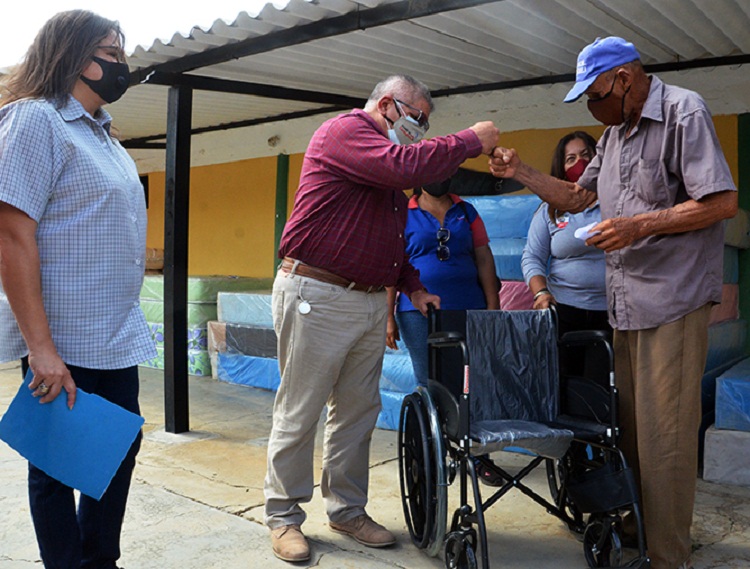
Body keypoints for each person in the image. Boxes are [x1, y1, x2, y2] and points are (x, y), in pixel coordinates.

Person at [489, 37, 738, 569]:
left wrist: (638, 226)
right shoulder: (615, 133)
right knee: (630, 427)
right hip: (626, 305)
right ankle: (635, 529)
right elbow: (579, 197)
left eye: (596, 94)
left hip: (673, 298)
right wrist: (522, 173)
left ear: (625, 79)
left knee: (665, 433)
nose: (591, 107)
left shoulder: (682, 111)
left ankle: (668, 556)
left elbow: (721, 202)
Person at [265, 74, 499, 562]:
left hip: (368, 299)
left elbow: (390, 243)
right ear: (389, 105)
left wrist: (413, 287)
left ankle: (346, 510)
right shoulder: (346, 133)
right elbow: (405, 164)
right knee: (301, 408)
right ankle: (284, 515)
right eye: (419, 120)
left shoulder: (386, 178)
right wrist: (471, 140)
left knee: (357, 412)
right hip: (318, 290)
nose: (421, 131)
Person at [0, 10, 155, 569]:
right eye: (109, 54)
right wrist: (40, 349)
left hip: (113, 335)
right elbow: (13, 237)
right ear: (69, 55)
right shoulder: (34, 120)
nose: (121, 66)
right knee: (56, 464)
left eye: (121, 55)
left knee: (115, 452)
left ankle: (99, 561)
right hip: (62, 339)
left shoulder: (104, 136)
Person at [386, 177, 499, 386]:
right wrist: (388, 317)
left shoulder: (467, 211)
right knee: (429, 379)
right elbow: (393, 263)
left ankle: (463, 420)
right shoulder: (403, 212)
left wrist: (493, 306)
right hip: (417, 312)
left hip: (469, 307)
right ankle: (433, 420)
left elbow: (484, 258)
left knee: (468, 379)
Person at [521, 131, 611, 377]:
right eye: (570, 159)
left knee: (599, 389)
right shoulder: (550, 210)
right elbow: (532, 258)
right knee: (561, 384)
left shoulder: (615, 203)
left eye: (585, 155)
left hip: (610, 312)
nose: (579, 163)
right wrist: (541, 293)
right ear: (560, 168)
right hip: (563, 310)